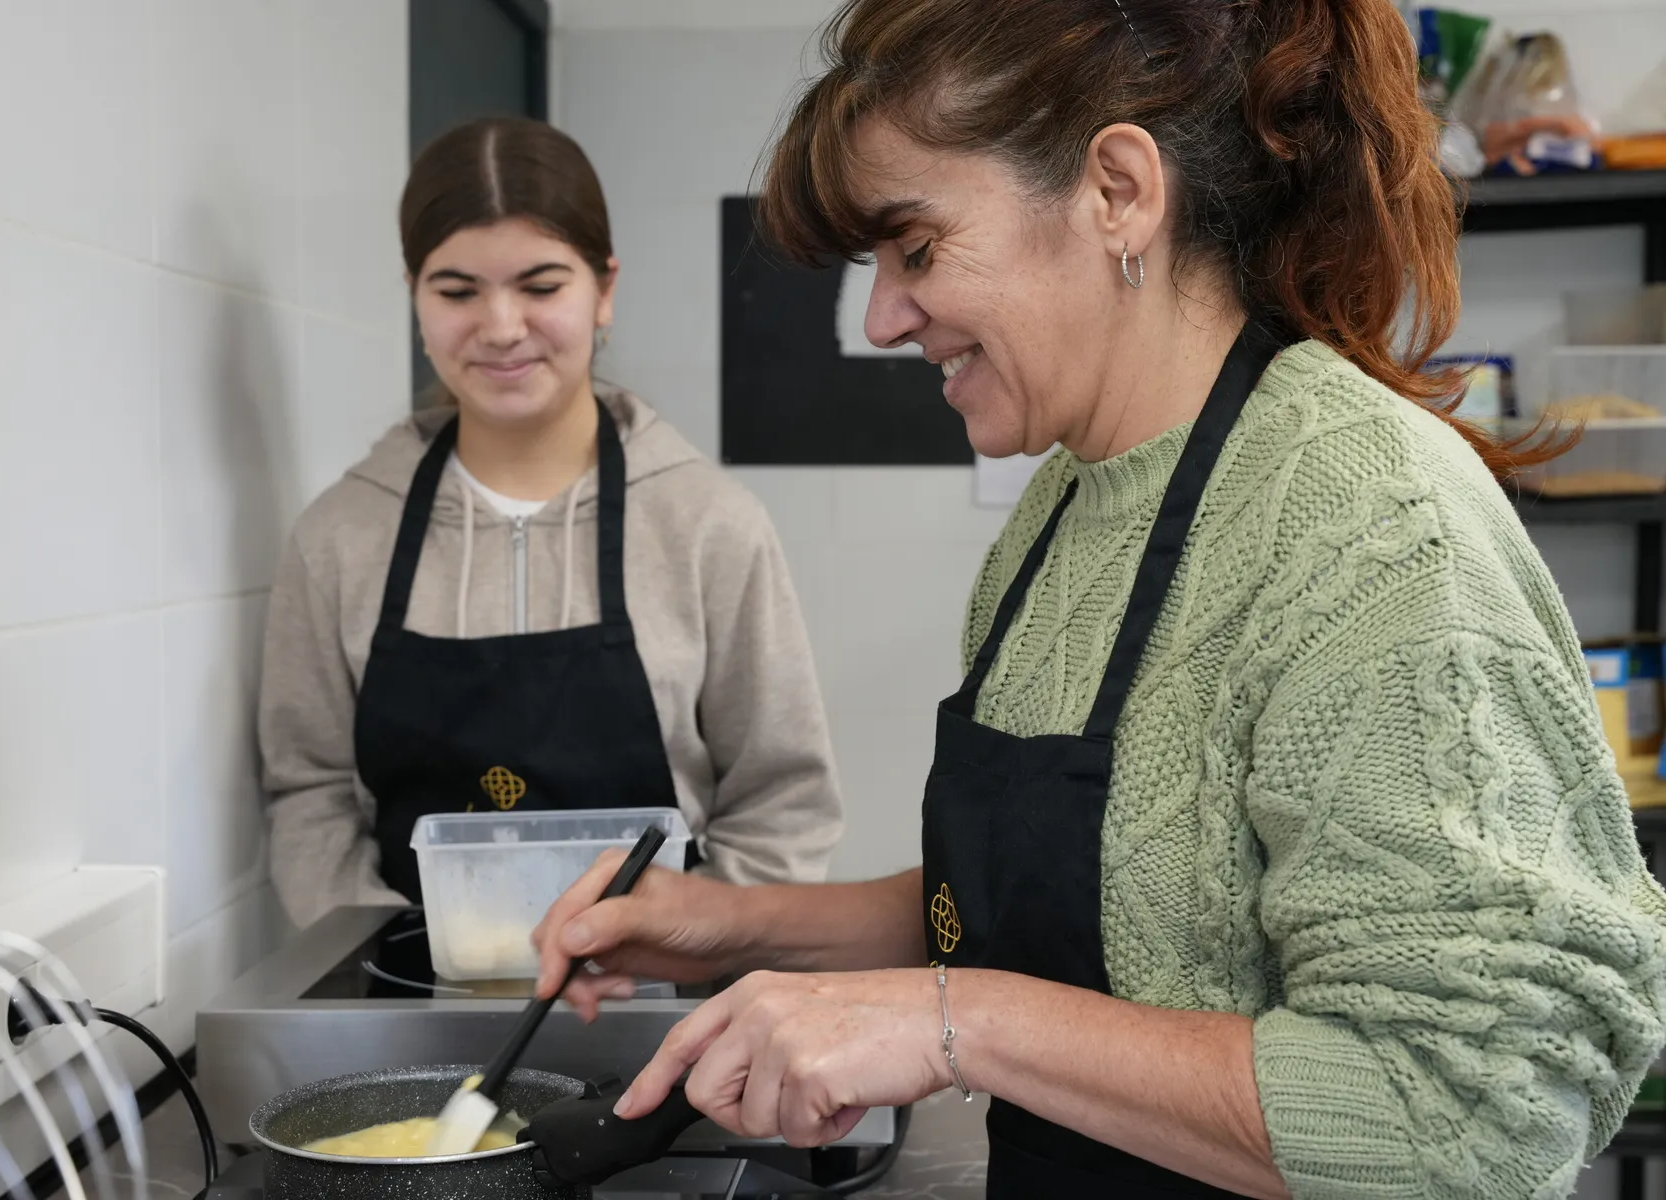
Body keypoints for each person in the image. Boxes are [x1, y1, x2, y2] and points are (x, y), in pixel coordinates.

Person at [531, 1, 1666, 1196]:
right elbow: (1098, 907)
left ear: (1118, 193)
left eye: (916, 247)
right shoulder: (1065, 508)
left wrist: (950, 1022)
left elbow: (1473, 1117)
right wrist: (729, 925)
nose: (882, 318)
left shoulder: (1371, 522)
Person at [259, 117, 843, 930]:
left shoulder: (711, 527)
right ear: (415, 297)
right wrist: (395, 963)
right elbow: (309, 794)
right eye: (457, 291)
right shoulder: (339, 538)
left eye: (540, 287)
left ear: (604, 290)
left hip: (665, 994)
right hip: (405, 988)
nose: (501, 327)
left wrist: (689, 950)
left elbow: (783, 803)